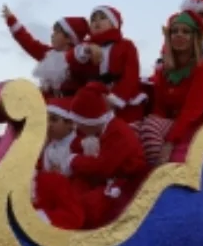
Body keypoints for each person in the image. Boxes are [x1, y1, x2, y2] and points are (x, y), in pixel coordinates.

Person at [57, 81, 148, 228]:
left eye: (78, 122)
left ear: (90, 121)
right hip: (103, 178)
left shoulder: (118, 133)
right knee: (71, 189)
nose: (76, 127)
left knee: (90, 205)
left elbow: (104, 166)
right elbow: (77, 147)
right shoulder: (92, 131)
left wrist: (74, 161)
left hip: (127, 181)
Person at [145, 11, 203, 165]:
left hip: (198, 125)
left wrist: (170, 142)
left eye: (185, 31)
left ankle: (157, 176)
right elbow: (159, 107)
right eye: (174, 31)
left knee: (151, 128)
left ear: (195, 37)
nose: (179, 35)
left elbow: (192, 111)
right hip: (173, 123)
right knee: (134, 128)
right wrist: (154, 120)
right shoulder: (163, 71)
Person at [66, 5, 148, 124]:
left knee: (124, 130)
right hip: (94, 97)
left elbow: (131, 75)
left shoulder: (126, 45)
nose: (97, 22)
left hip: (124, 100)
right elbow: (70, 59)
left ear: (113, 23)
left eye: (102, 18)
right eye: (93, 19)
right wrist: (87, 49)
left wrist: (115, 99)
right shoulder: (85, 47)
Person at [1, 4, 90, 97]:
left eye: (57, 32)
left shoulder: (77, 60)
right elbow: (28, 42)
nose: (52, 35)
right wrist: (12, 20)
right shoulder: (48, 54)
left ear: (69, 38)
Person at [37, 97, 82, 172]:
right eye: (46, 120)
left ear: (70, 123)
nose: (48, 124)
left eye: (54, 120)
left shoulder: (79, 145)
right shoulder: (48, 145)